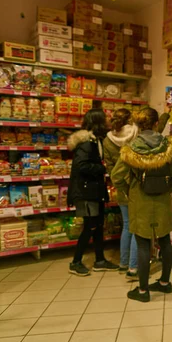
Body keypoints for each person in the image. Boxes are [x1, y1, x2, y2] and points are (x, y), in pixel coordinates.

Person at [111, 107, 172, 302]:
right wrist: (167, 189)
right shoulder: (168, 147)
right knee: (165, 241)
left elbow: (116, 176)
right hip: (161, 202)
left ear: (137, 125)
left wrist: (128, 190)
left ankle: (143, 291)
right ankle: (164, 283)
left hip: (139, 201)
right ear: (154, 124)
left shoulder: (131, 148)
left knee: (143, 244)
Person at [67, 108, 119, 276]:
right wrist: (101, 168)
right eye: (104, 120)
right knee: (89, 227)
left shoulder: (95, 141)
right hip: (86, 193)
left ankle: (100, 260)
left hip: (93, 191)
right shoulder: (86, 143)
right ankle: (75, 262)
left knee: (97, 227)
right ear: (98, 123)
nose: (107, 123)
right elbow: (81, 166)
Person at [103, 108, 139, 281]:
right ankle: (133, 267)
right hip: (136, 186)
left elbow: (110, 167)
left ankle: (123, 263)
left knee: (126, 225)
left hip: (120, 187)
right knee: (137, 227)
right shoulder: (136, 135)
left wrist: (118, 181)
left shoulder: (107, 140)